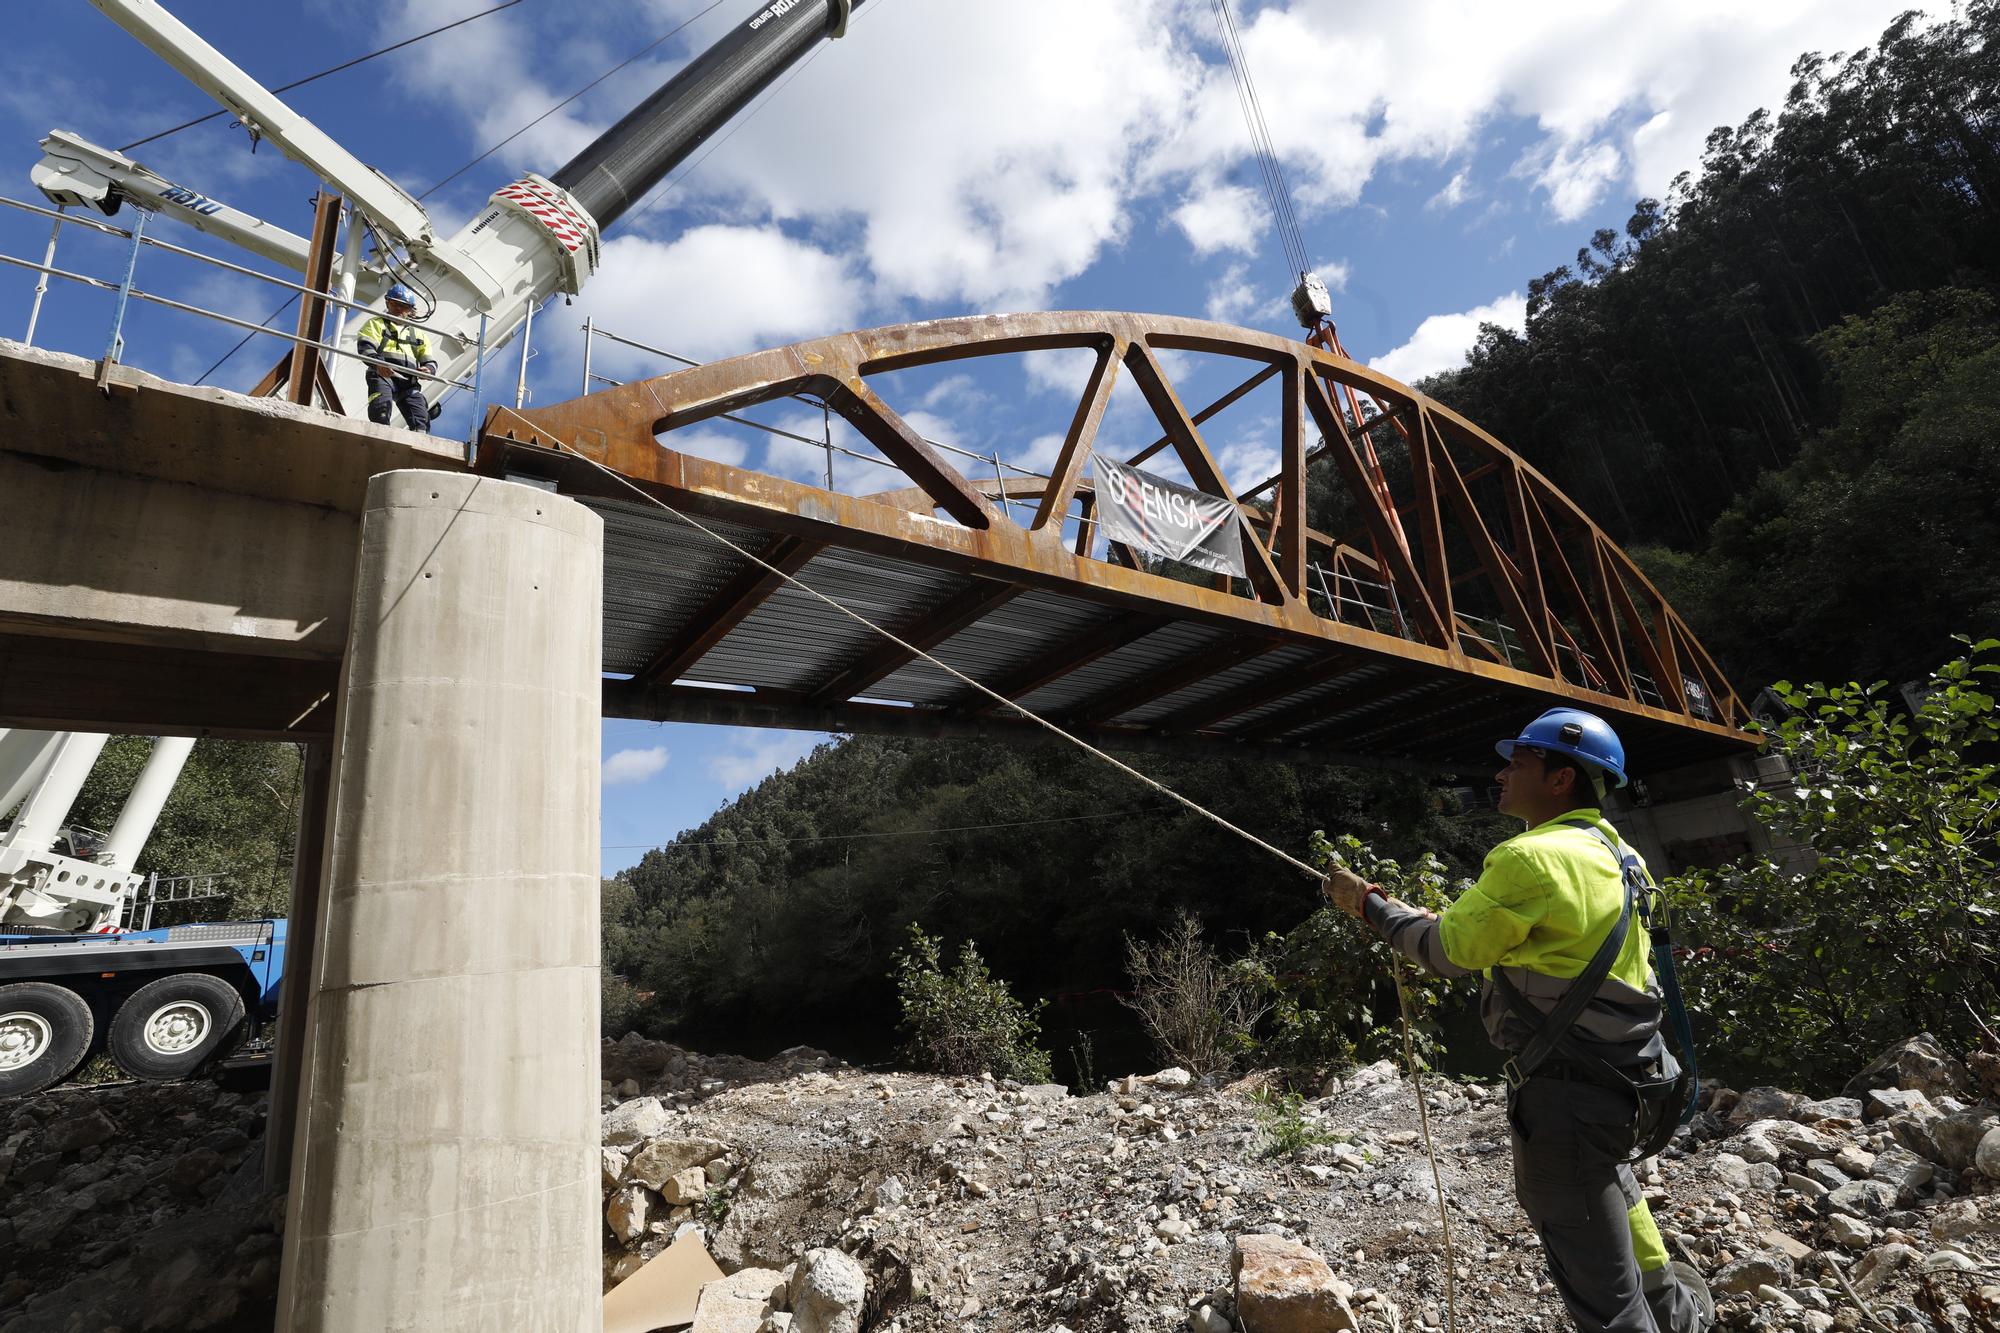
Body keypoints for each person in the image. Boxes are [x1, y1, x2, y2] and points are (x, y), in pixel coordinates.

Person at [1322, 707, 1713, 1333]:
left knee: (1597, 1282)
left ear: (1561, 779)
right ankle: (1678, 1314)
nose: (1502, 774)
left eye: (1519, 762)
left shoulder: (1529, 857)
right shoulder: (1618, 853)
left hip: (1569, 1092)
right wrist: (1440, 922)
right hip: (1632, 1077)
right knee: (1611, 1188)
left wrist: (1369, 904)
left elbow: (1447, 953)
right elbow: (1543, 946)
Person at [355, 283, 437, 432]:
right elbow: (365, 347)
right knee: (380, 409)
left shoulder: (418, 335)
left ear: (411, 310)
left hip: (408, 382)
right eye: (395, 304)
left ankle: (416, 449)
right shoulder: (376, 324)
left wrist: (429, 370)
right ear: (388, 303)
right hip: (382, 374)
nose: (399, 309)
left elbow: (429, 361)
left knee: (422, 422)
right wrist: (379, 364)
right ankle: (379, 439)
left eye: (404, 306)